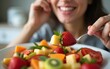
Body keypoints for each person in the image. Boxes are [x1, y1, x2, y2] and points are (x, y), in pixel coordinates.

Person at [7, 0, 110, 51]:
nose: (65, 0)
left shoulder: (106, 29)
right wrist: (31, 25)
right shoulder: (46, 30)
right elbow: (5, 59)